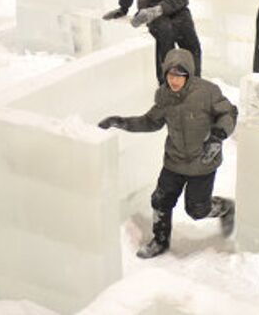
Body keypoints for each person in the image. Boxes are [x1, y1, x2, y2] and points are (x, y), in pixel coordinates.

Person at [98, 48, 238, 259]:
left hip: (203, 161)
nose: (174, 81)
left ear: (188, 74)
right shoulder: (164, 96)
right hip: (174, 160)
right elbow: (151, 121)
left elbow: (228, 112)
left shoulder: (207, 92)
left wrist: (217, 137)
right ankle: (160, 240)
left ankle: (225, 207)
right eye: (171, 75)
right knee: (160, 200)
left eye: (179, 76)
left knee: (197, 210)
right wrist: (122, 122)